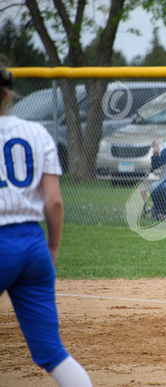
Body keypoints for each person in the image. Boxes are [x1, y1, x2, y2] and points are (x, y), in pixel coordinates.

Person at [0, 68, 93, 386]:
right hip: (33, 245)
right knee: (54, 354)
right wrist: (52, 246)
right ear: (8, 94)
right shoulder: (36, 132)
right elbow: (53, 201)